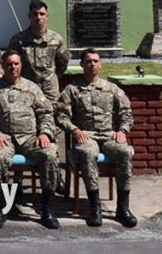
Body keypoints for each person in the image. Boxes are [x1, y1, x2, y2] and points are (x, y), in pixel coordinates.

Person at [56, 48, 138, 228]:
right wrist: (75, 130)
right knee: (87, 152)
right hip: (86, 136)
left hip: (109, 135)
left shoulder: (111, 89)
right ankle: (95, 207)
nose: (92, 64)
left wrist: (123, 131)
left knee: (124, 152)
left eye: (95, 61)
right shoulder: (72, 90)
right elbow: (61, 116)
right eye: (88, 61)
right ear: (81, 64)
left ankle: (123, 208)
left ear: (100, 65)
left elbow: (126, 113)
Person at [0, 49, 60, 230]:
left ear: (21, 65)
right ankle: (1, 208)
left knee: (50, 155)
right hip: (4, 138)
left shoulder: (32, 88)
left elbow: (46, 113)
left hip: (30, 138)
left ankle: (47, 208)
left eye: (16, 64)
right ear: (3, 66)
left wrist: (45, 133)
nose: (13, 67)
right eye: (9, 64)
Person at [7, 1, 70, 102]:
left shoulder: (56, 39)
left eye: (42, 14)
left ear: (47, 16)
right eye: (35, 14)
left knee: (51, 111)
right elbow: (10, 62)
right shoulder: (18, 40)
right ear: (29, 16)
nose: (39, 17)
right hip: (26, 87)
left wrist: (51, 76)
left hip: (49, 89)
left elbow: (63, 62)